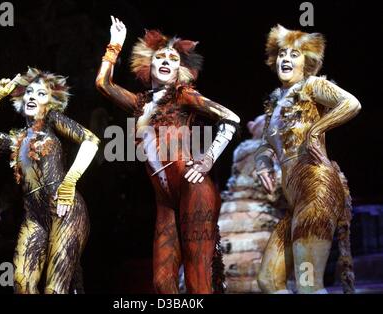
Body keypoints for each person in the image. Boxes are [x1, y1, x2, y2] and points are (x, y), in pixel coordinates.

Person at [96, 16, 240, 293]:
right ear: (148, 65)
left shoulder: (182, 96)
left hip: (193, 190)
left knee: (199, 281)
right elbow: (103, 85)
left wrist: (208, 159)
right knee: (162, 283)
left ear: (179, 70)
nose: (165, 61)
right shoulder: (139, 104)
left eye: (173, 59)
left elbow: (231, 118)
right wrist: (114, 45)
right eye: (160, 57)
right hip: (165, 201)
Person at [0, 67, 100, 293]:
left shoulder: (52, 120)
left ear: (50, 103)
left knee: (55, 289)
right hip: (34, 216)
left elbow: (91, 140)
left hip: (65, 209)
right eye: (29, 92)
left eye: (40, 93)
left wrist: (69, 183)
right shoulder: (15, 141)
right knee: (21, 283)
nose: (32, 96)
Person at [255, 25, 361, 294]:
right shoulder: (274, 103)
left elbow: (351, 104)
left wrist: (317, 129)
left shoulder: (313, 85)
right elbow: (267, 144)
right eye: (281, 54)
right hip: (295, 200)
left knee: (307, 284)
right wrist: (263, 162)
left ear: (308, 62)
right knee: (268, 280)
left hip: (317, 188)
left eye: (294, 54)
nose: (286, 59)